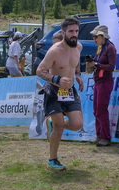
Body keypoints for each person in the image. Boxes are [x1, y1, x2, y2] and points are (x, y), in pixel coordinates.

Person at [36, 17, 84, 171]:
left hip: (69, 90)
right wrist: (57, 79)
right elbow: (39, 71)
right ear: (63, 32)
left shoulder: (79, 47)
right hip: (54, 90)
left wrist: (78, 75)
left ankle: (53, 123)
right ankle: (53, 159)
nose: (74, 34)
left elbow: (76, 64)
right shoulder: (55, 51)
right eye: (71, 31)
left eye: (76, 31)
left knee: (77, 124)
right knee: (59, 126)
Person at [86, 25, 117, 147]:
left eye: (95, 36)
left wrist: (96, 65)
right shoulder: (101, 48)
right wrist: (92, 64)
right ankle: (99, 135)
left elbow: (111, 67)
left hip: (105, 81)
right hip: (99, 81)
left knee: (101, 110)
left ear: (102, 36)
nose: (94, 39)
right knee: (96, 110)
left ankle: (105, 137)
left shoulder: (110, 48)